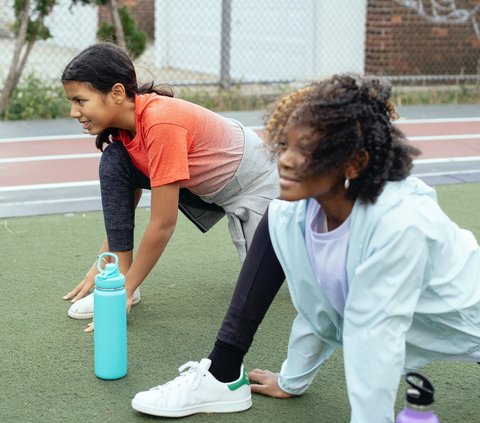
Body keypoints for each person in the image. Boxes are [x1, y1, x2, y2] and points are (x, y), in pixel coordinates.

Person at [131, 74, 480, 422]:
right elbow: (322, 305)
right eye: (284, 145)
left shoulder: (399, 226)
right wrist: (291, 380)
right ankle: (220, 373)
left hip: (467, 322)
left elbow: (375, 343)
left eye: (307, 150)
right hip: (410, 325)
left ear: (355, 162)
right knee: (276, 215)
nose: (285, 159)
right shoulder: (292, 214)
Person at [61, 42, 279, 331]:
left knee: (286, 271)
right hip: (204, 184)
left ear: (116, 93)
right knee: (114, 161)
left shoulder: (160, 123)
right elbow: (126, 196)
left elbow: (163, 223)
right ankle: (122, 276)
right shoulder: (126, 129)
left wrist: (122, 293)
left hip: (254, 181)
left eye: (80, 100)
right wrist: (108, 266)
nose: (74, 112)